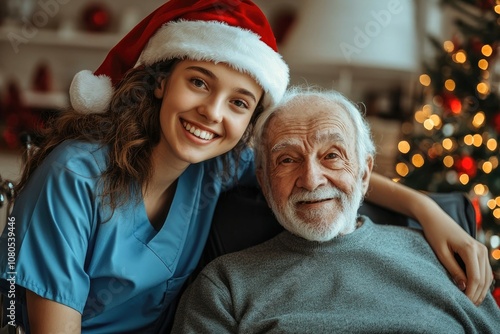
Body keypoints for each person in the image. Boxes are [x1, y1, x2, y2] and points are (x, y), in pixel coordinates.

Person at [0, 0, 492, 332]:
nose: (212, 114)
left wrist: (428, 211)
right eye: (198, 82)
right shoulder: (74, 177)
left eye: (239, 103)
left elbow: (321, 172)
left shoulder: (214, 166)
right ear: (159, 82)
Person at [171, 87, 500, 333]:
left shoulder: (442, 259)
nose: (311, 180)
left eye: (332, 155)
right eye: (287, 160)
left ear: (365, 172)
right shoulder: (225, 286)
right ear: (264, 181)